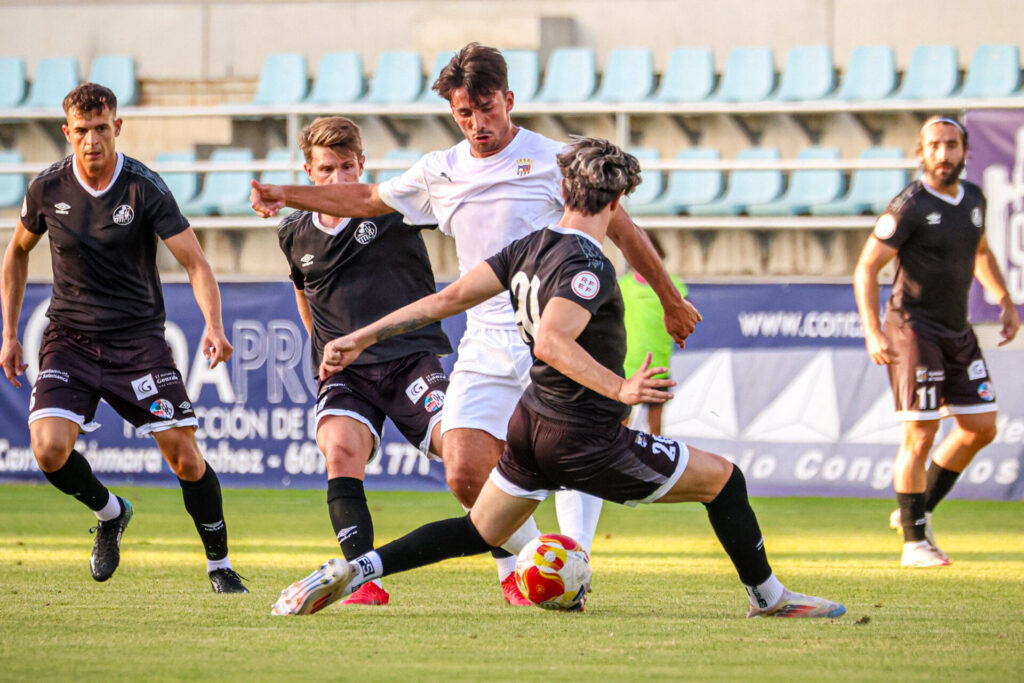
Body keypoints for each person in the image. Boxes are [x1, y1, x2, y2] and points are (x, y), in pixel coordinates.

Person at [270, 137, 846, 619]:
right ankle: (768, 598)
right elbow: (552, 340)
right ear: (618, 198)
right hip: (584, 437)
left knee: (479, 530)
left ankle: (356, 568)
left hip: (531, 428)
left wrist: (360, 335)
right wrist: (620, 389)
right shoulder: (589, 264)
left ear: (563, 189)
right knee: (725, 480)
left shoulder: (528, 246)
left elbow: (446, 298)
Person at [250, 43, 701, 603]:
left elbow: (621, 227)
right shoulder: (440, 170)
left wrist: (670, 299)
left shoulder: (555, 161)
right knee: (464, 470)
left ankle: (573, 560)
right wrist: (282, 194)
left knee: (571, 455)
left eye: (486, 108)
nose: (477, 123)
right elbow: (367, 197)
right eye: (464, 113)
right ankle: (541, 562)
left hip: (556, 329)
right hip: (485, 337)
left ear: (508, 100)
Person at [0, 83, 247, 592]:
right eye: (82, 131)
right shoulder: (46, 188)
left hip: (138, 344)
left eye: (101, 128)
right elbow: (17, 252)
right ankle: (111, 513)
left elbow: (195, 263)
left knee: (183, 454)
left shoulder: (144, 187)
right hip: (69, 339)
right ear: (67, 133)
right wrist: (9, 332)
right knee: (48, 451)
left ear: (118, 127)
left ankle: (219, 565)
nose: (93, 140)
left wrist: (215, 326)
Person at [277, 116, 454, 606]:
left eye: (347, 168)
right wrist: (322, 348)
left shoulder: (394, 208)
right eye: (327, 170)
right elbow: (304, 292)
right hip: (349, 375)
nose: (338, 180)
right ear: (309, 172)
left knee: (460, 455)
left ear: (363, 165)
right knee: (339, 451)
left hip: (409, 360)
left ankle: (513, 568)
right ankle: (363, 580)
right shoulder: (293, 232)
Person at [853, 116, 1020, 568]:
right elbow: (867, 268)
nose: (943, 154)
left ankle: (916, 509)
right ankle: (914, 544)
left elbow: (980, 252)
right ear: (921, 152)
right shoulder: (908, 205)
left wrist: (1003, 299)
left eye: (951, 145)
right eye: (935, 146)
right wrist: (872, 329)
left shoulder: (975, 199)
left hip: (957, 330)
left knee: (980, 427)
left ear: (966, 151)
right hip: (912, 329)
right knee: (921, 432)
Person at [618, 231, 689, 435]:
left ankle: (655, 466)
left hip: (658, 364)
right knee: (622, 423)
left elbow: (688, 316)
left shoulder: (674, 285)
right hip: (627, 364)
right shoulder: (622, 286)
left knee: (655, 429)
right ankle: (619, 464)